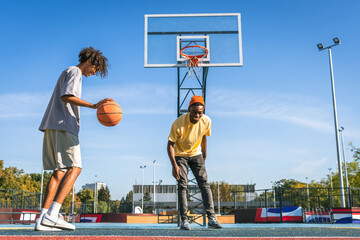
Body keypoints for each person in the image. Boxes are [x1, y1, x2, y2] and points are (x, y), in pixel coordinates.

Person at [35, 47, 113, 231]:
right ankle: (53, 215)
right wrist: (93, 105)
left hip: (51, 125)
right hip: (64, 126)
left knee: (59, 172)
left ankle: (42, 218)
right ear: (90, 62)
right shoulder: (76, 71)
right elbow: (67, 96)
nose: (93, 73)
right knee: (76, 168)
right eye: (95, 69)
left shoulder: (67, 71)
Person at [167, 95, 222, 230]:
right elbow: (170, 145)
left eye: (200, 113)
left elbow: (204, 135)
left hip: (196, 154)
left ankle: (212, 219)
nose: (197, 115)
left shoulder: (207, 121)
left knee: (204, 184)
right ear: (189, 109)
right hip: (180, 155)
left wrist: (205, 152)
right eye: (194, 112)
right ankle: (184, 220)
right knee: (182, 185)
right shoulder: (178, 123)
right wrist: (174, 165)